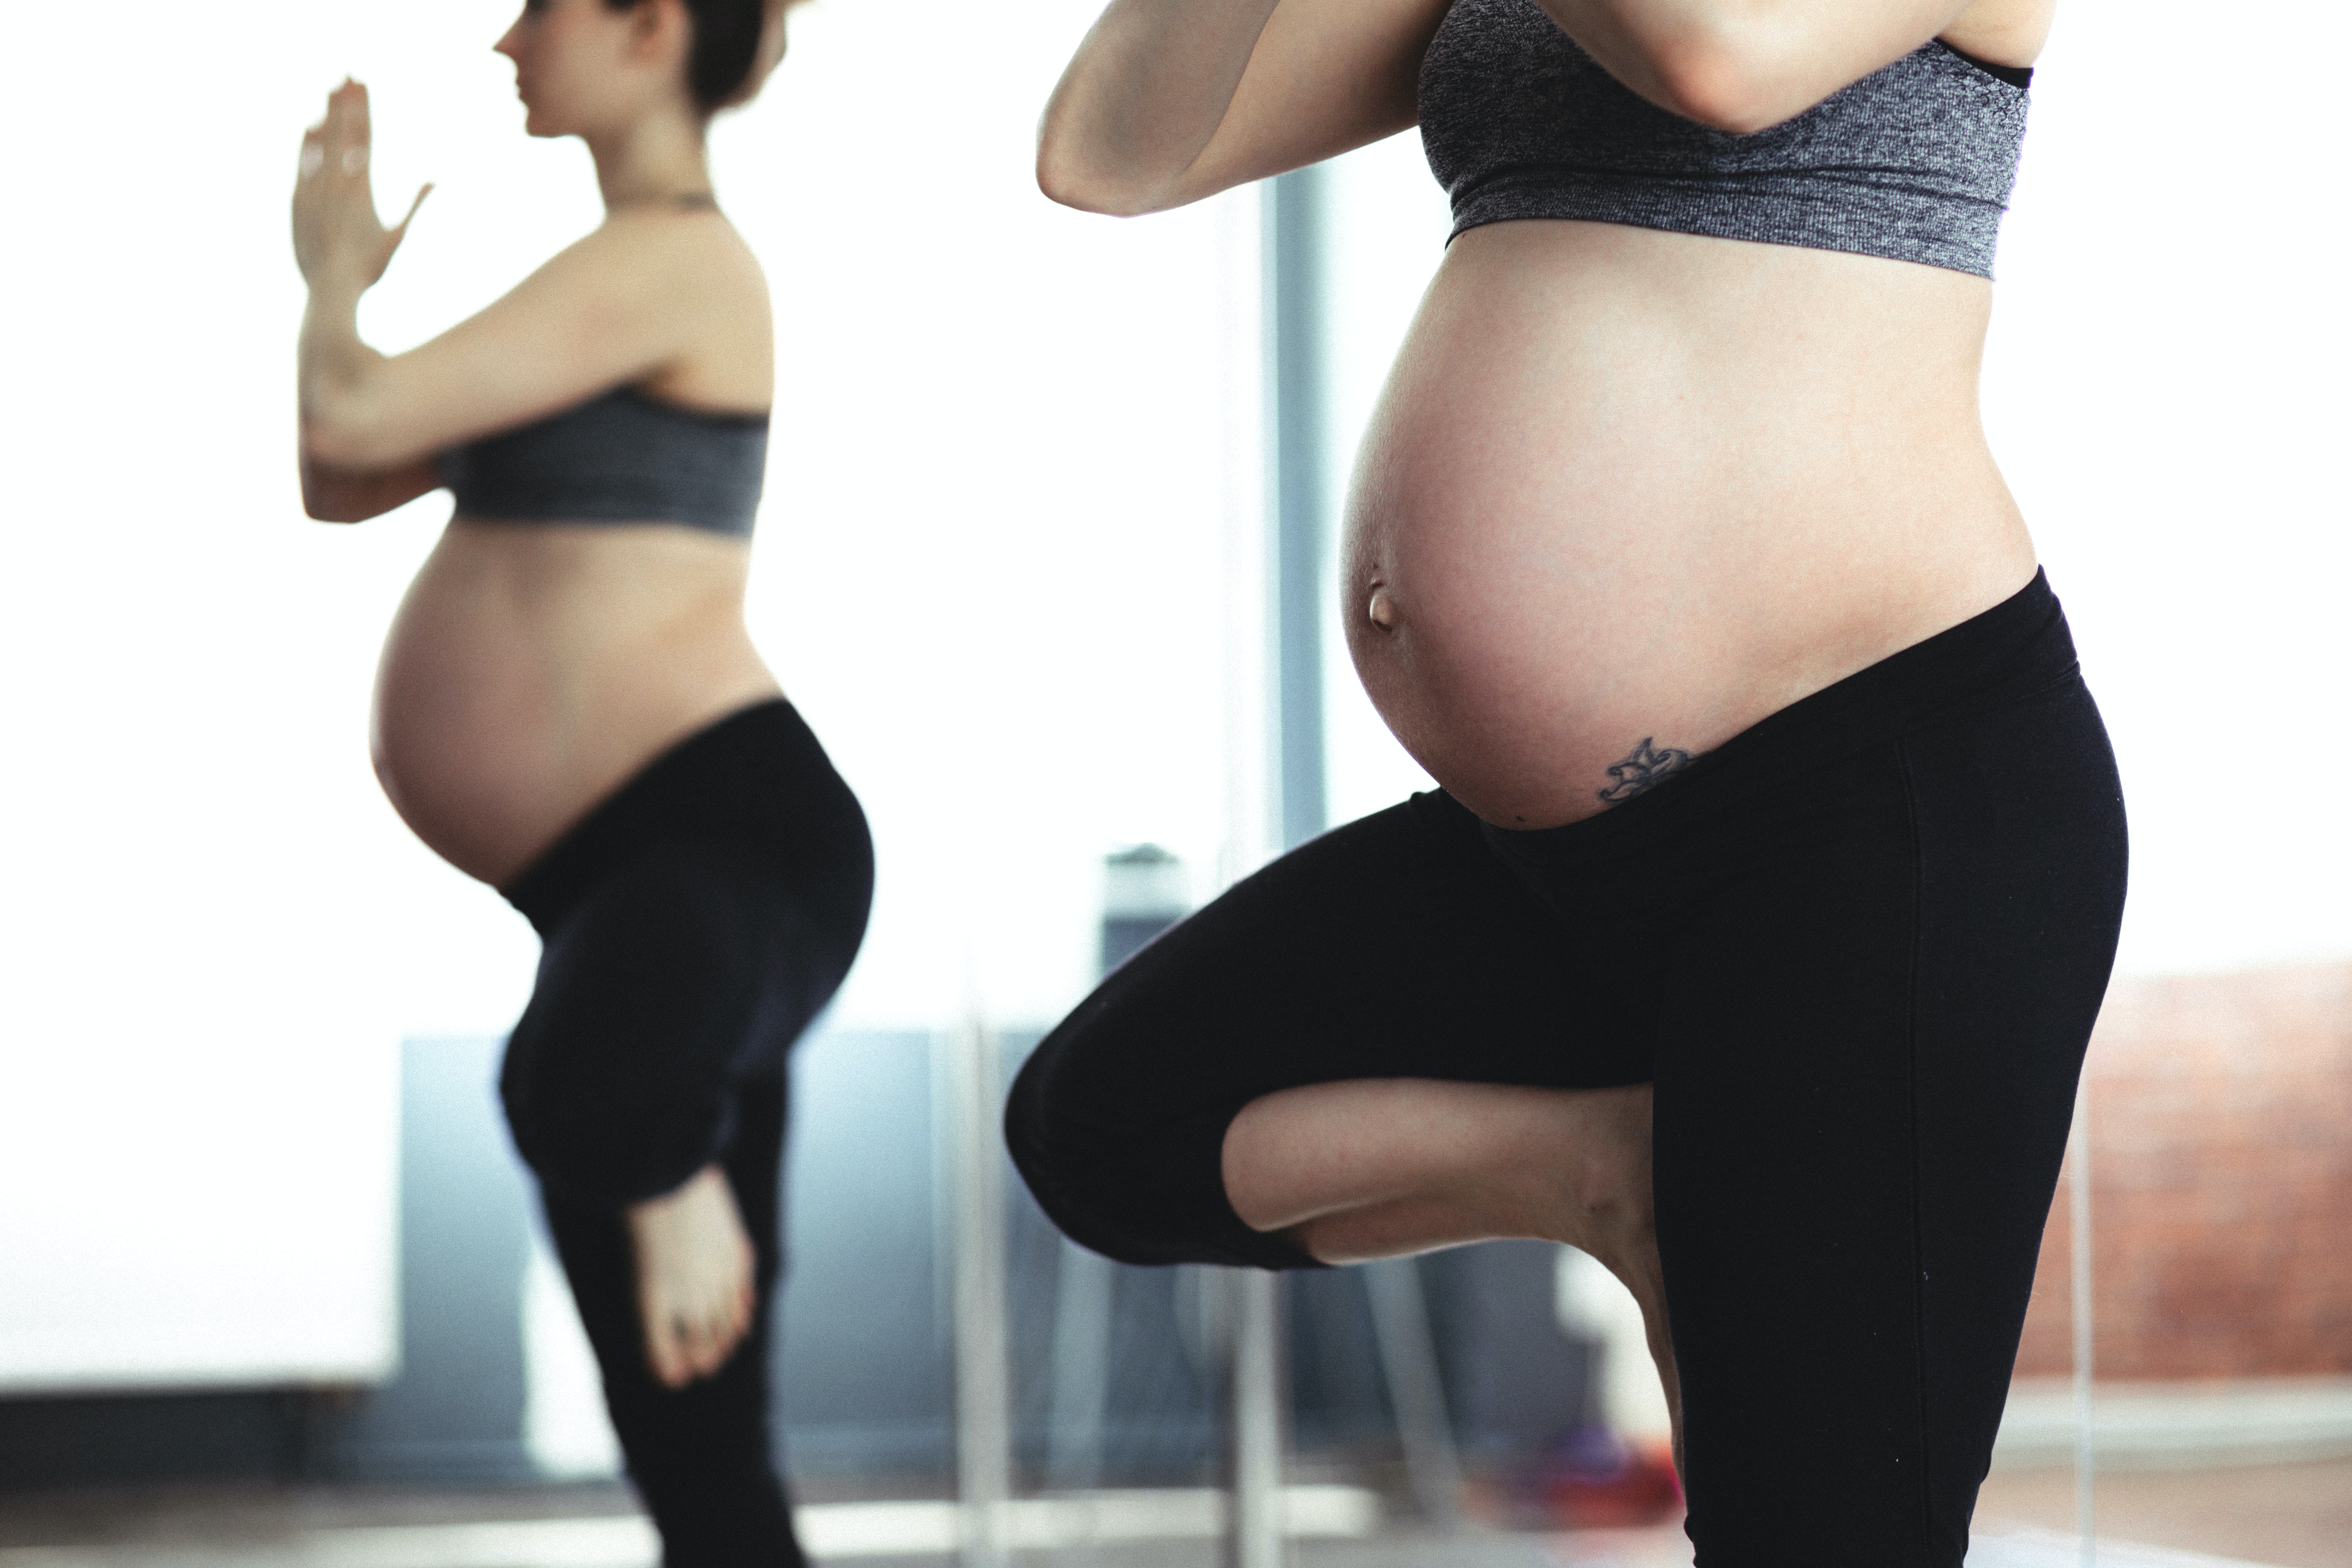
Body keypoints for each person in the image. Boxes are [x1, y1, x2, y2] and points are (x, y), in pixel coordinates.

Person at [1005, 0, 2124, 1561]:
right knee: (1110, 1124)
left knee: (1816, 1533)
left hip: (1866, 811)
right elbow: (1109, 154)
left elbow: (1719, 61)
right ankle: (1606, 1172)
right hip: (1558, 857)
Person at [291, 2, 864, 1559]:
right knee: (693, 1439)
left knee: (585, 1093)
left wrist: (337, 273)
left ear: (649, 25)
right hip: (636, 879)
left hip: (724, 842)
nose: (506, 42)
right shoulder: (604, 282)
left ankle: (662, 1155)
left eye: (541, 5)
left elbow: (348, 405)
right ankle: (654, 1150)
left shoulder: (677, 260)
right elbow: (340, 479)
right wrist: (336, 292)